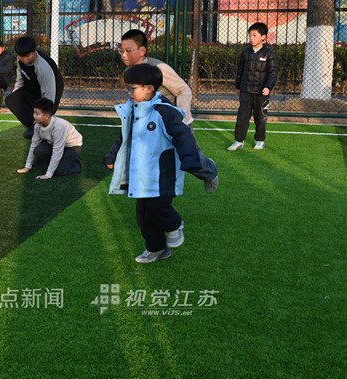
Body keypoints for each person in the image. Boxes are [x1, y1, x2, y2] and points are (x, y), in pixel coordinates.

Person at [102, 63, 202, 263]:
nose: (128, 92)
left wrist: (190, 158)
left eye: (132, 88)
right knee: (143, 217)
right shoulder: (133, 110)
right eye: (127, 87)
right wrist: (112, 155)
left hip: (163, 174)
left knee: (158, 209)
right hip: (141, 175)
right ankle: (156, 249)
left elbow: (183, 136)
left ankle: (175, 224)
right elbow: (125, 137)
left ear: (149, 89)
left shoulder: (165, 112)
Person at [119, 28, 218, 193]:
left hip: (174, 122)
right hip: (151, 124)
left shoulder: (158, 67)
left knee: (191, 158)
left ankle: (209, 171)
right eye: (121, 51)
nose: (123, 55)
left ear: (142, 50)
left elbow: (183, 91)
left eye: (128, 51)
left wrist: (181, 119)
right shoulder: (129, 71)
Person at [230, 22, 279, 151]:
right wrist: (238, 87)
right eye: (250, 35)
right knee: (242, 117)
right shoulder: (246, 53)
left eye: (254, 35)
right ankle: (238, 141)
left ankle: (260, 140)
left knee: (260, 118)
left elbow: (273, 73)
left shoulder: (269, 54)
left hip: (261, 93)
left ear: (263, 37)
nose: (251, 38)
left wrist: (268, 87)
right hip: (246, 90)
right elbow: (240, 71)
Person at [4, 35, 64, 139]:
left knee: (45, 116)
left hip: (51, 90)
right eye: (21, 56)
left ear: (34, 52)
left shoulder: (43, 67)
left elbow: (48, 93)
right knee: (11, 99)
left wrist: (44, 112)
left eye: (28, 56)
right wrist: (17, 87)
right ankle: (34, 126)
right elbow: (20, 73)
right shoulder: (20, 59)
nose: (24, 59)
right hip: (33, 86)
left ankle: (48, 131)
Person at [16, 98, 82, 179]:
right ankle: (59, 161)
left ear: (47, 116)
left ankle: (76, 164)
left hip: (72, 146)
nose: (34, 116)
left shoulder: (58, 128)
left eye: (37, 114)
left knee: (60, 171)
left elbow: (57, 151)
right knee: (38, 150)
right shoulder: (37, 126)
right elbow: (33, 145)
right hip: (55, 143)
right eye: (34, 113)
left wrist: (48, 174)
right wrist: (27, 167)